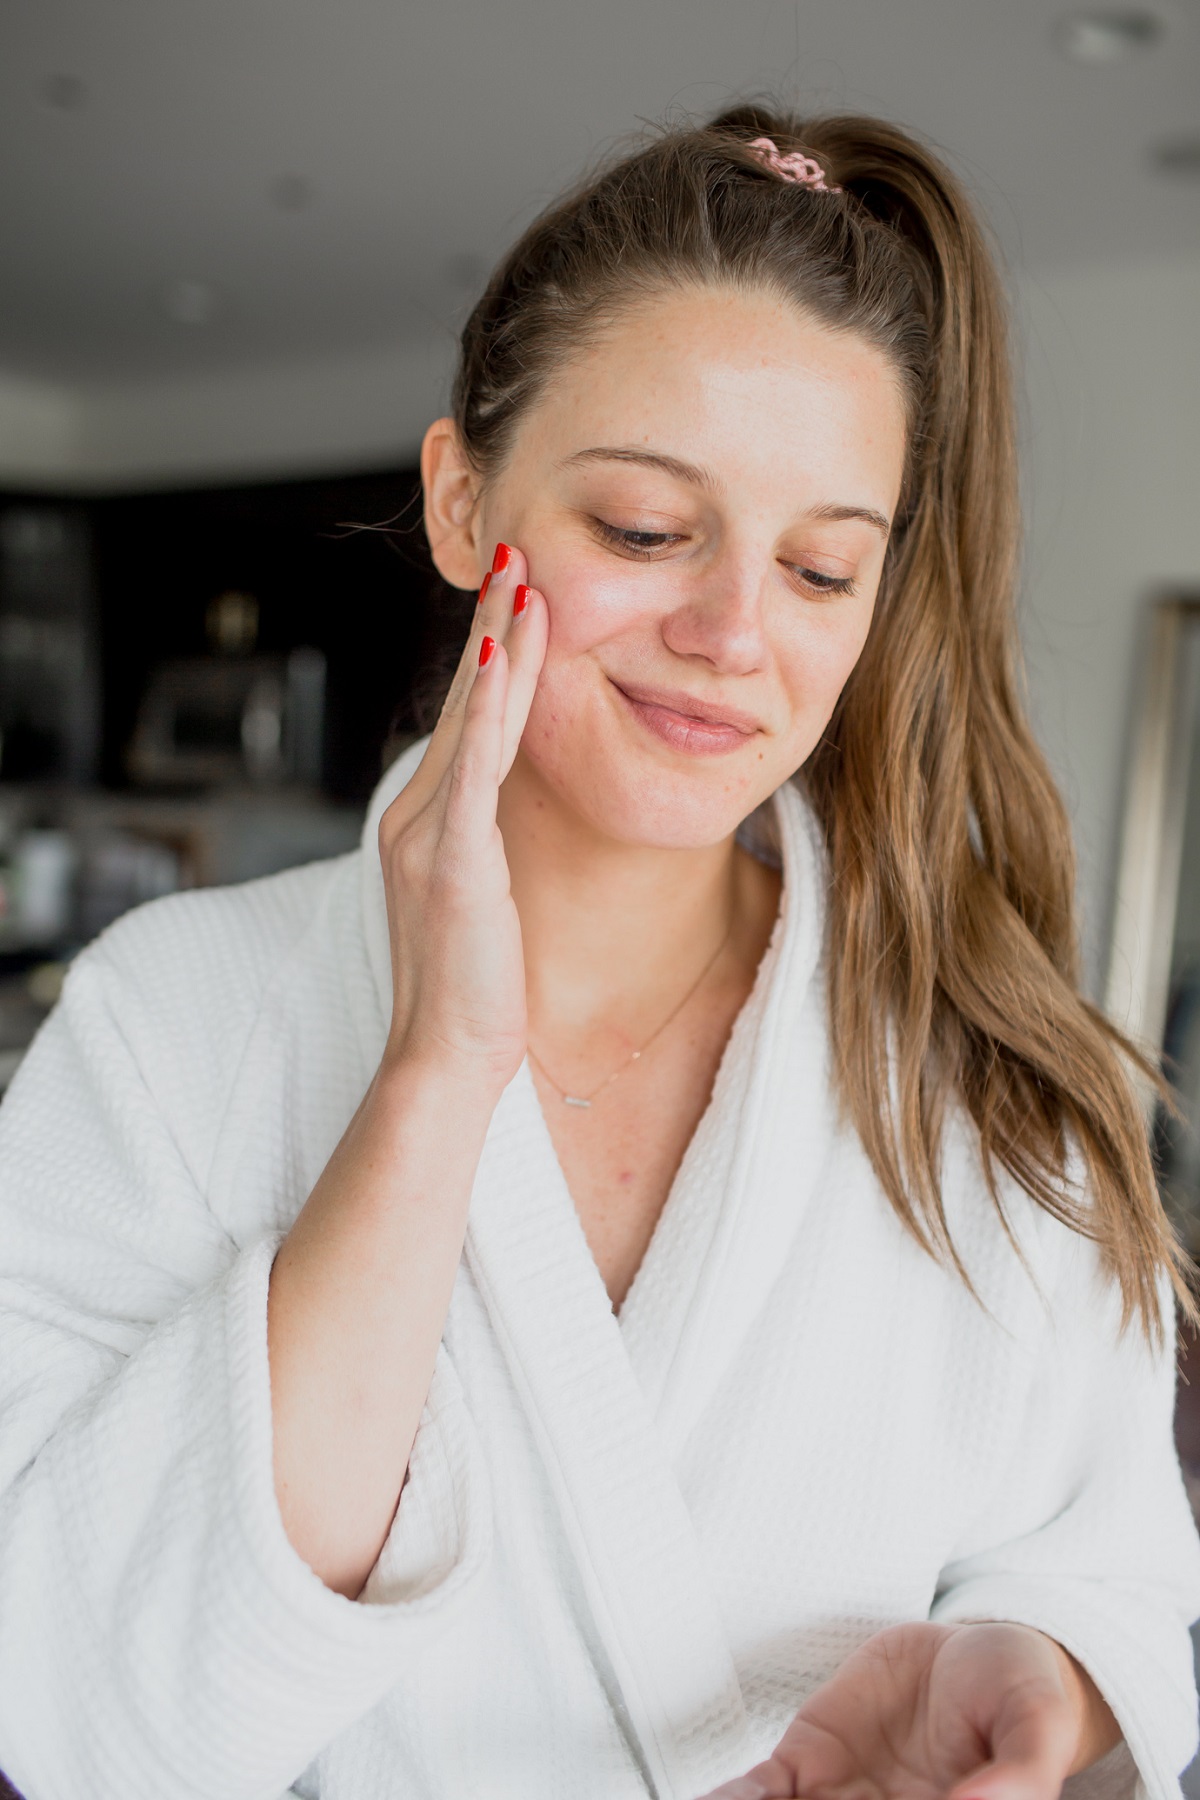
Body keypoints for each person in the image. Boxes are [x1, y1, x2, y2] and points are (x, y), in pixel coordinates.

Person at [0, 103, 1196, 1800]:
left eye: (822, 568)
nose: (730, 638)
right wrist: (433, 1080)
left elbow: (1111, 1568)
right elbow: (71, 1702)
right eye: (644, 531)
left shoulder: (987, 1088)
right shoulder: (169, 1027)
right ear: (459, 498)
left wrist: (1051, 1680)